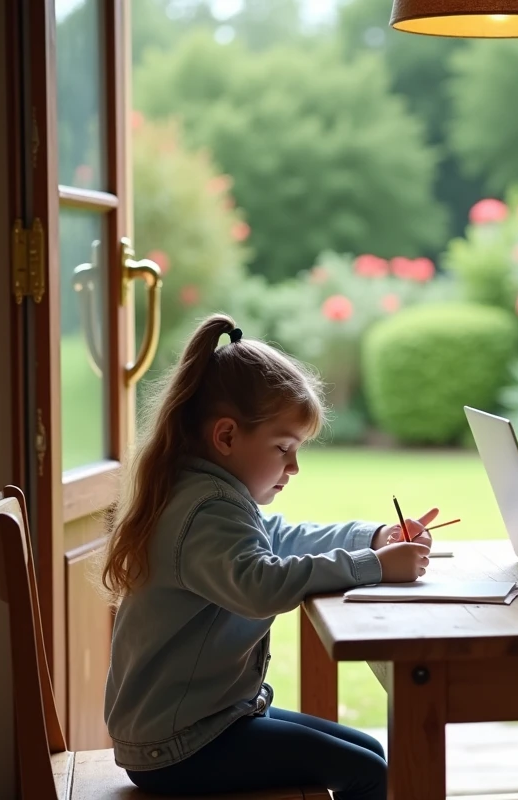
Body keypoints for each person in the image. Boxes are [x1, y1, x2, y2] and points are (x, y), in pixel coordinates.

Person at [101, 313, 435, 800]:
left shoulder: (209, 495)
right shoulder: (204, 511)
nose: (294, 466)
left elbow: (281, 537)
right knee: (370, 773)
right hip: (180, 746)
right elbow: (260, 585)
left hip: (205, 724)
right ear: (227, 437)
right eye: (283, 448)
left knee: (374, 755)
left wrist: (374, 536)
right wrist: (377, 568)